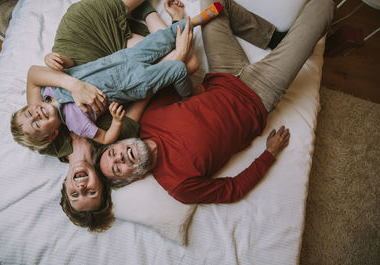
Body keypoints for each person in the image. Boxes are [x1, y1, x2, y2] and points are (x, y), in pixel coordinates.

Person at [94, 0, 335, 204]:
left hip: (222, 73)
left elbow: (175, 73)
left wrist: (179, 20)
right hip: (260, 94)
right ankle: (278, 40)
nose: (119, 157)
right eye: (117, 168)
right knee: (323, 8)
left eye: (112, 153)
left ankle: (271, 37)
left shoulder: (148, 119)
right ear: (132, 178)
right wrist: (269, 154)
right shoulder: (179, 186)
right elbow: (233, 190)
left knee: (213, 4)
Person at [10, 9, 222, 150]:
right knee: (178, 69)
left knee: (162, 38)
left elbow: (73, 67)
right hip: (133, 83)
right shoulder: (75, 122)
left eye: (30, 112)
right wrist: (117, 121)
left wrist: (57, 60)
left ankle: (194, 20)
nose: (36, 114)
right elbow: (105, 139)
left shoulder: (48, 89)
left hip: (122, 59)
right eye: (37, 124)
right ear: (53, 135)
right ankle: (189, 95)